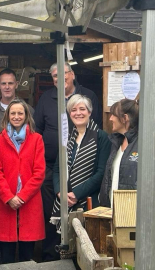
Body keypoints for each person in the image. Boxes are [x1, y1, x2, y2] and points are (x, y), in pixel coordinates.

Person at [33, 62, 102, 261]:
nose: (59, 79)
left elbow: (95, 128)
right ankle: (50, 257)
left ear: (72, 74)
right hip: (50, 169)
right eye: (55, 76)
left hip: (83, 170)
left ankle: (79, 258)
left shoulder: (87, 96)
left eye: (63, 74)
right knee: (51, 215)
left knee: (80, 217)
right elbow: (37, 130)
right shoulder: (46, 98)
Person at [0, 99, 46, 264]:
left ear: (26, 116)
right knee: (6, 256)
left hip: (29, 202)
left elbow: (39, 172)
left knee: (26, 255)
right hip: (5, 203)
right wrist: (9, 197)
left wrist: (22, 196)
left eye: (20, 113)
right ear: (7, 116)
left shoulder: (36, 139)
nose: (16, 116)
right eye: (12, 113)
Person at [50, 95, 111, 232]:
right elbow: (57, 169)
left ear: (89, 112)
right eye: (73, 110)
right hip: (66, 201)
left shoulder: (101, 137)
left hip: (90, 201)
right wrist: (61, 192)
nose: (78, 113)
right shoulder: (66, 138)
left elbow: (101, 172)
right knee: (67, 245)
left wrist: (76, 193)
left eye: (82, 109)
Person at [99, 98, 139, 208]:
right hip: (112, 211)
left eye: (113, 115)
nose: (110, 118)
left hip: (131, 214)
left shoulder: (142, 143)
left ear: (124, 118)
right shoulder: (116, 142)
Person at [0, 68, 34, 134]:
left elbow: (32, 136)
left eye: (10, 83)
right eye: (3, 83)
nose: (7, 87)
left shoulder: (28, 110)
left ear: (16, 84)